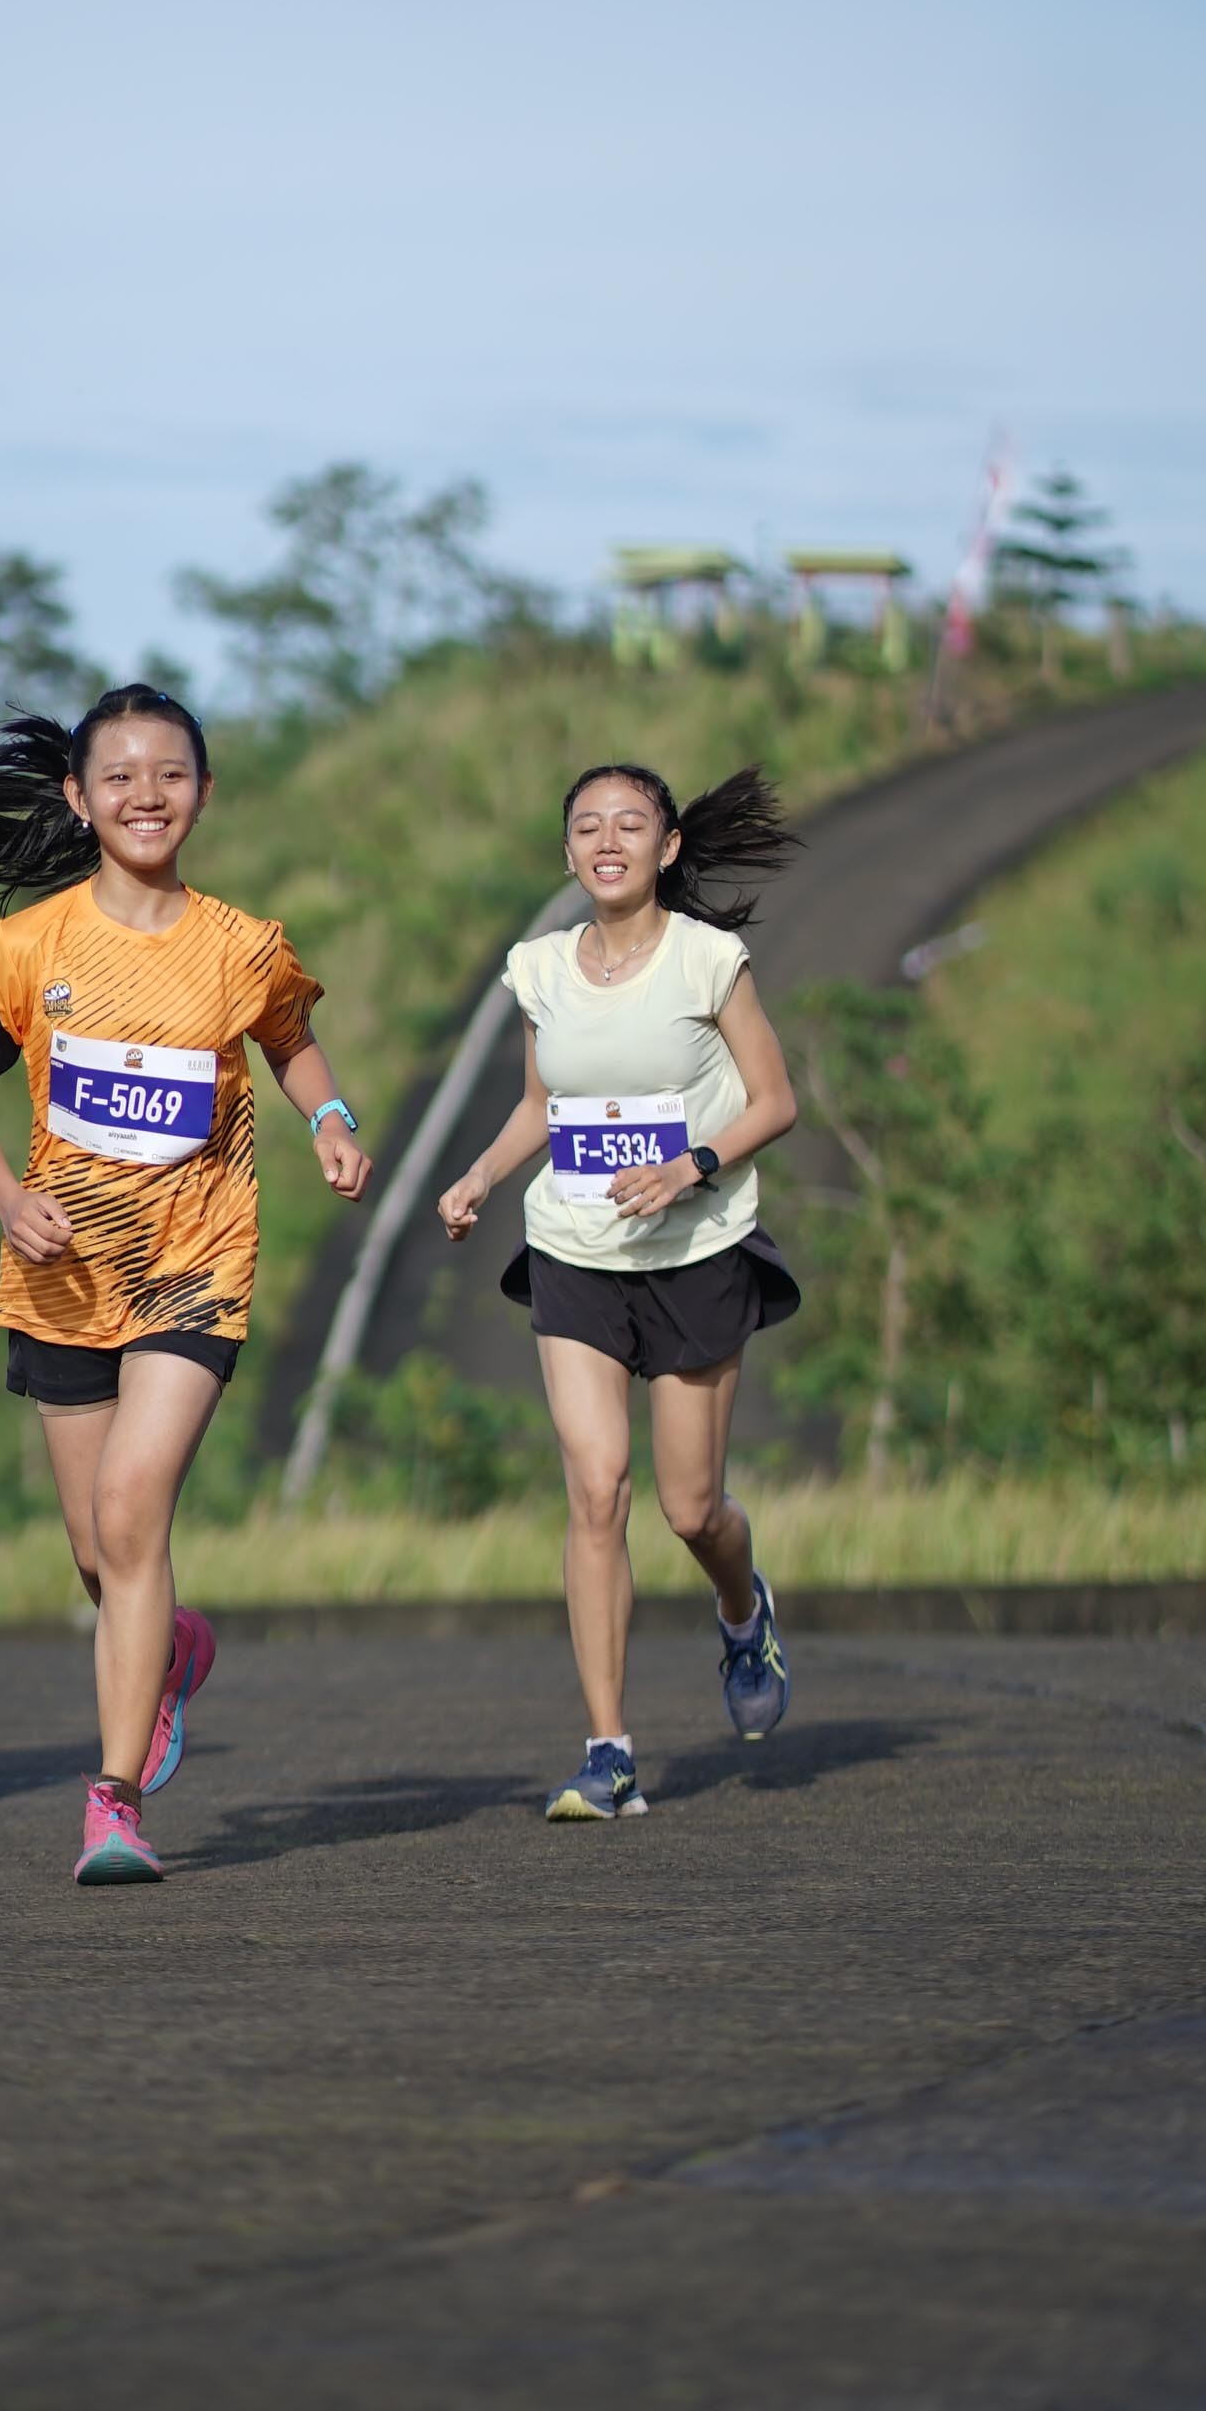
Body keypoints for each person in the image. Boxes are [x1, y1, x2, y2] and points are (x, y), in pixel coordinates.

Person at [0, 685, 371, 1885]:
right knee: (98, 1553)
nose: (145, 796)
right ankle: (167, 1648)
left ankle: (112, 1803)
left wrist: (329, 1118)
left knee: (131, 1514)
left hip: (193, 1266)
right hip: (61, 1278)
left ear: (204, 792)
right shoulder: (23, 951)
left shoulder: (242, 945)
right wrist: (5, 1200)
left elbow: (289, 1040)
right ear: (77, 798)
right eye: (118, 776)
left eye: (169, 774)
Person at [438, 760, 802, 1820]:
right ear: (567, 853)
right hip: (574, 1250)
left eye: (630, 824)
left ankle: (741, 1611)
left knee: (692, 1510)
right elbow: (540, 1106)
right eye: (588, 826)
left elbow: (773, 1100)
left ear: (666, 846)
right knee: (595, 1490)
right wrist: (479, 1176)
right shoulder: (540, 969)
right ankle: (608, 1753)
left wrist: (690, 1166)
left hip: (696, 1252)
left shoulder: (709, 961)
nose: (608, 841)